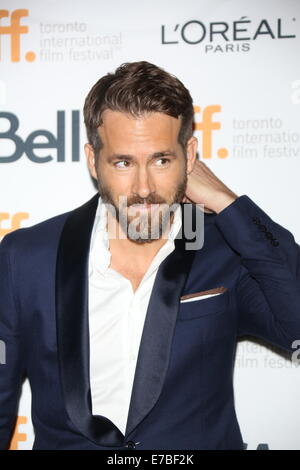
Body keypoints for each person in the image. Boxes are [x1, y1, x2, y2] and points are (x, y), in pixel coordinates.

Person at [0, 61, 299, 451]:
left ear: (189, 157)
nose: (143, 188)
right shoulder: (27, 258)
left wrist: (228, 203)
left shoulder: (221, 248)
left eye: (161, 160)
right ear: (94, 161)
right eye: (123, 162)